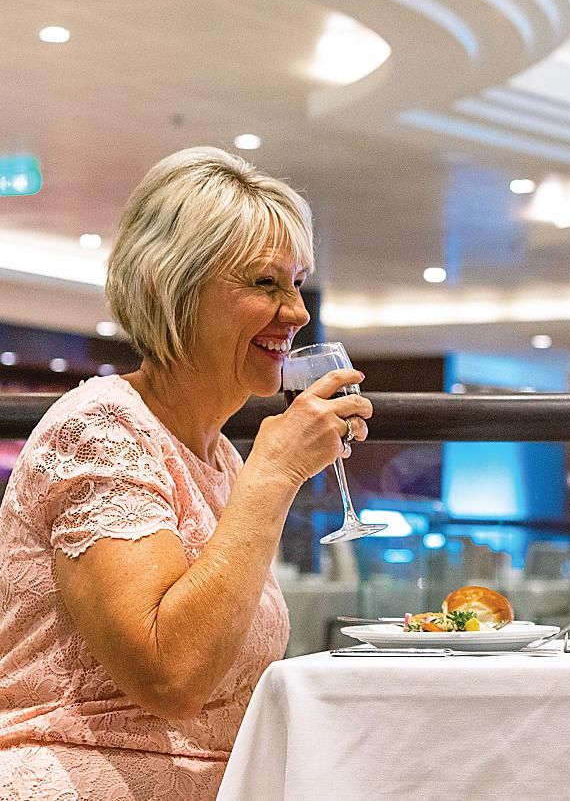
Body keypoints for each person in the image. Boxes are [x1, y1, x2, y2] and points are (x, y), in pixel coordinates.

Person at [0, 147, 372, 801]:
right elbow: (170, 677)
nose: (297, 312)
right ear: (173, 289)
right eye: (265, 284)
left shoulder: (219, 457)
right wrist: (276, 472)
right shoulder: (101, 430)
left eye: (296, 282)